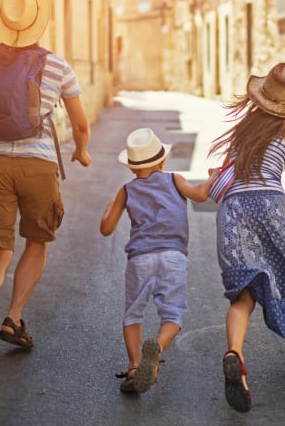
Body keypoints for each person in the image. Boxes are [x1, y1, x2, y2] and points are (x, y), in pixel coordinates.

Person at [0, 0, 91, 372]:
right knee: (37, 241)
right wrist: (82, 152)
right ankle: (13, 317)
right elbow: (80, 124)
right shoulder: (57, 65)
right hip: (38, 165)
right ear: (39, 20)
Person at [208, 62, 285, 413]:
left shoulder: (242, 131)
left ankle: (235, 355)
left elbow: (226, 170)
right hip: (271, 205)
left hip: (234, 208)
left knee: (243, 293)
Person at [100, 127, 217, 394]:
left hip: (140, 258)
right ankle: (157, 352)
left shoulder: (126, 190)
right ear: (162, 161)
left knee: (133, 314)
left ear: (131, 168)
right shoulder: (174, 179)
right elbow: (200, 195)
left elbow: (106, 228)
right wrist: (212, 178)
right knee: (173, 315)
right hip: (173, 256)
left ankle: (134, 366)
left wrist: (110, 206)